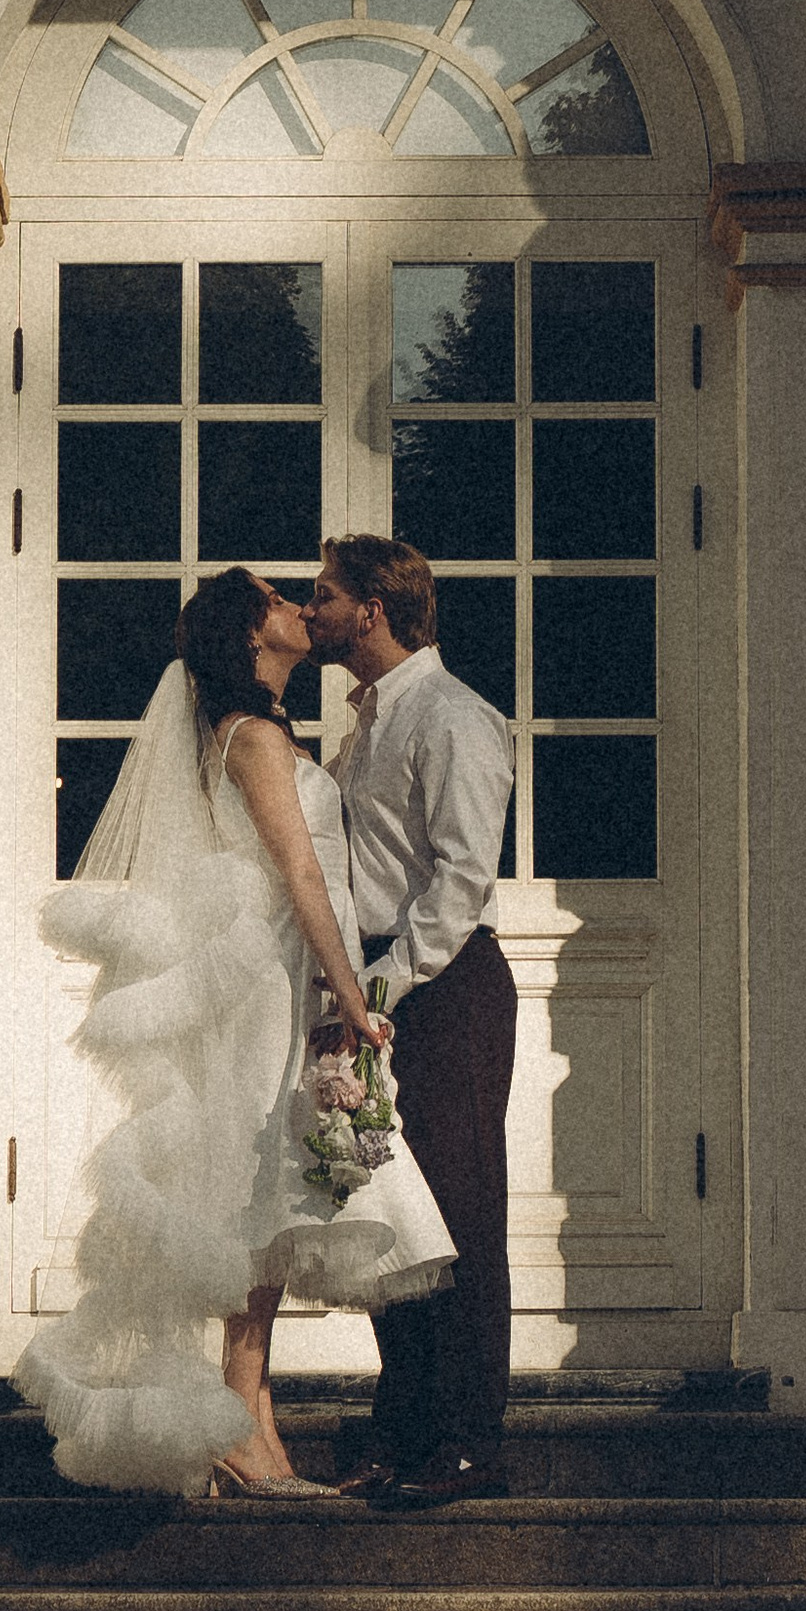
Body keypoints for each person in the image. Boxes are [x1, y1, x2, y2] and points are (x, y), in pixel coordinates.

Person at [15, 569, 453, 1498]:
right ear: (251, 635)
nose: (300, 606)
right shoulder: (253, 738)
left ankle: (250, 1425)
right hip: (271, 986)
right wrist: (354, 999)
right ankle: (240, 1423)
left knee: (270, 1205)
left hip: (284, 979)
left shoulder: (267, 732)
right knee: (259, 1197)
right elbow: (300, 876)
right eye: (279, 598)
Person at [306, 533, 516, 1509]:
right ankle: (404, 1431)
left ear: (372, 610)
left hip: (443, 989)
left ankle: (468, 1440)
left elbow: (460, 882)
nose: (313, 612)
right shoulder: (366, 724)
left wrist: (377, 996)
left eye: (325, 595)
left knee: (458, 1214)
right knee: (390, 1217)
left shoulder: (453, 717)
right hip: (378, 994)